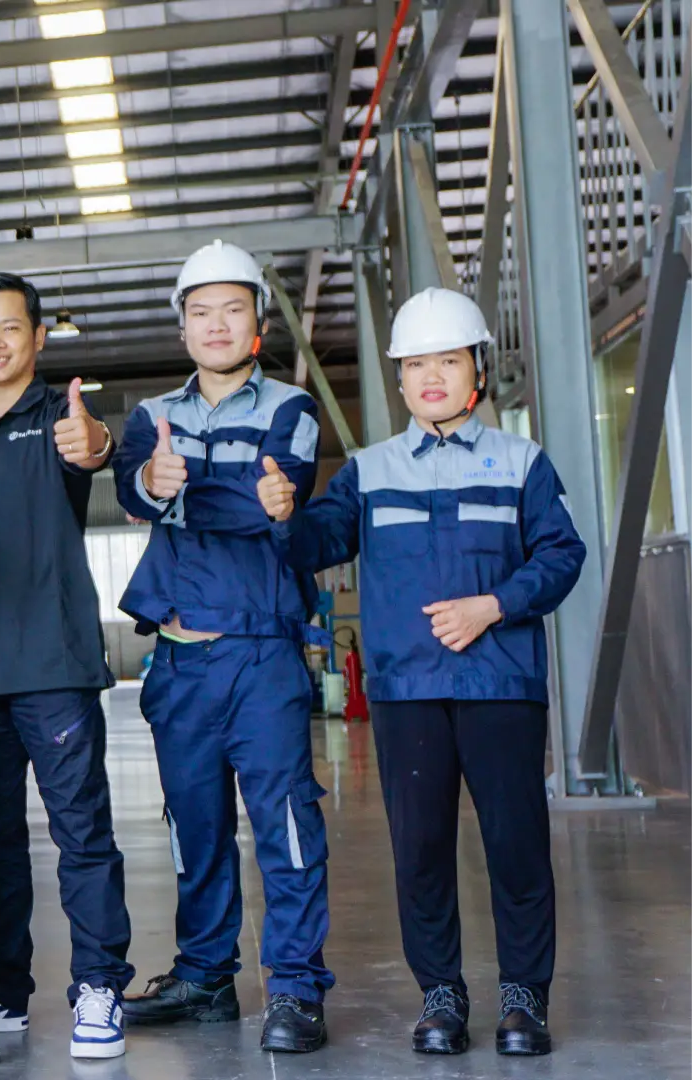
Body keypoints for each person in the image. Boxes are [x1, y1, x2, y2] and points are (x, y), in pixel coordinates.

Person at [257, 286, 583, 1057]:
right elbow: (319, 544)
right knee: (422, 850)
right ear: (400, 379)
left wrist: (494, 605)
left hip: (501, 684)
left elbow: (562, 554)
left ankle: (523, 1000)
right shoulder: (369, 472)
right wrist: (284, 516)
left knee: (517, 848)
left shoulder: (522, 463)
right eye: (416, 364)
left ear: (478, 370)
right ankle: (441, 995)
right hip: (407, 690)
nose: (432, 376)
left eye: (449, 360)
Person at [111, 240, 334, 1053]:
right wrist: (153, 486)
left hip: (262, 658)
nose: (215, 324)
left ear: (258, 323)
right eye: (199, 311)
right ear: (182, 328)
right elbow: (131, 485)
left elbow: (275, 500)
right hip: (179, 662)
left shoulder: (292, 407)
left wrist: (178, 494)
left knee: (286, 823)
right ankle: (206, 976)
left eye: (232, 309)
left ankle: (296, 988)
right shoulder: (151, 417)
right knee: (194, 827)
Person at [0, 272, 135, 1059]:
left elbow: (95, 449)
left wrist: (98, 442)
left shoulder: (62, 420)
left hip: (55, 666)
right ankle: (2, 988)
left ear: (39, 337)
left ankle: (99, 985)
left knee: (83, 834)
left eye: (10, 327)